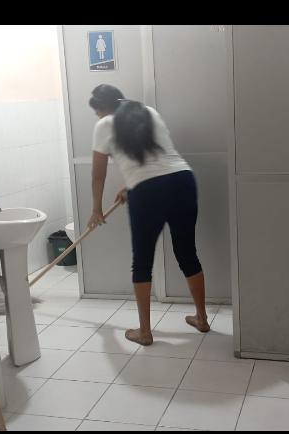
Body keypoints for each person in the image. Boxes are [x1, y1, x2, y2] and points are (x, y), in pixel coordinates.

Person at [86, 84, 209, 345]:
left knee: (142, 262)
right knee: (187, 253)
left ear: (103, 108)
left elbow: (98, 173)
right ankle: (201, 318)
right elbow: (156, 161)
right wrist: (131, 186)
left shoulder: (104, 124)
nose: (97, 116)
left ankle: (145, 332)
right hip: (182, 180)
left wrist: (96, 209)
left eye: (97, 111)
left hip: (148, 192)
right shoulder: (148, 112)